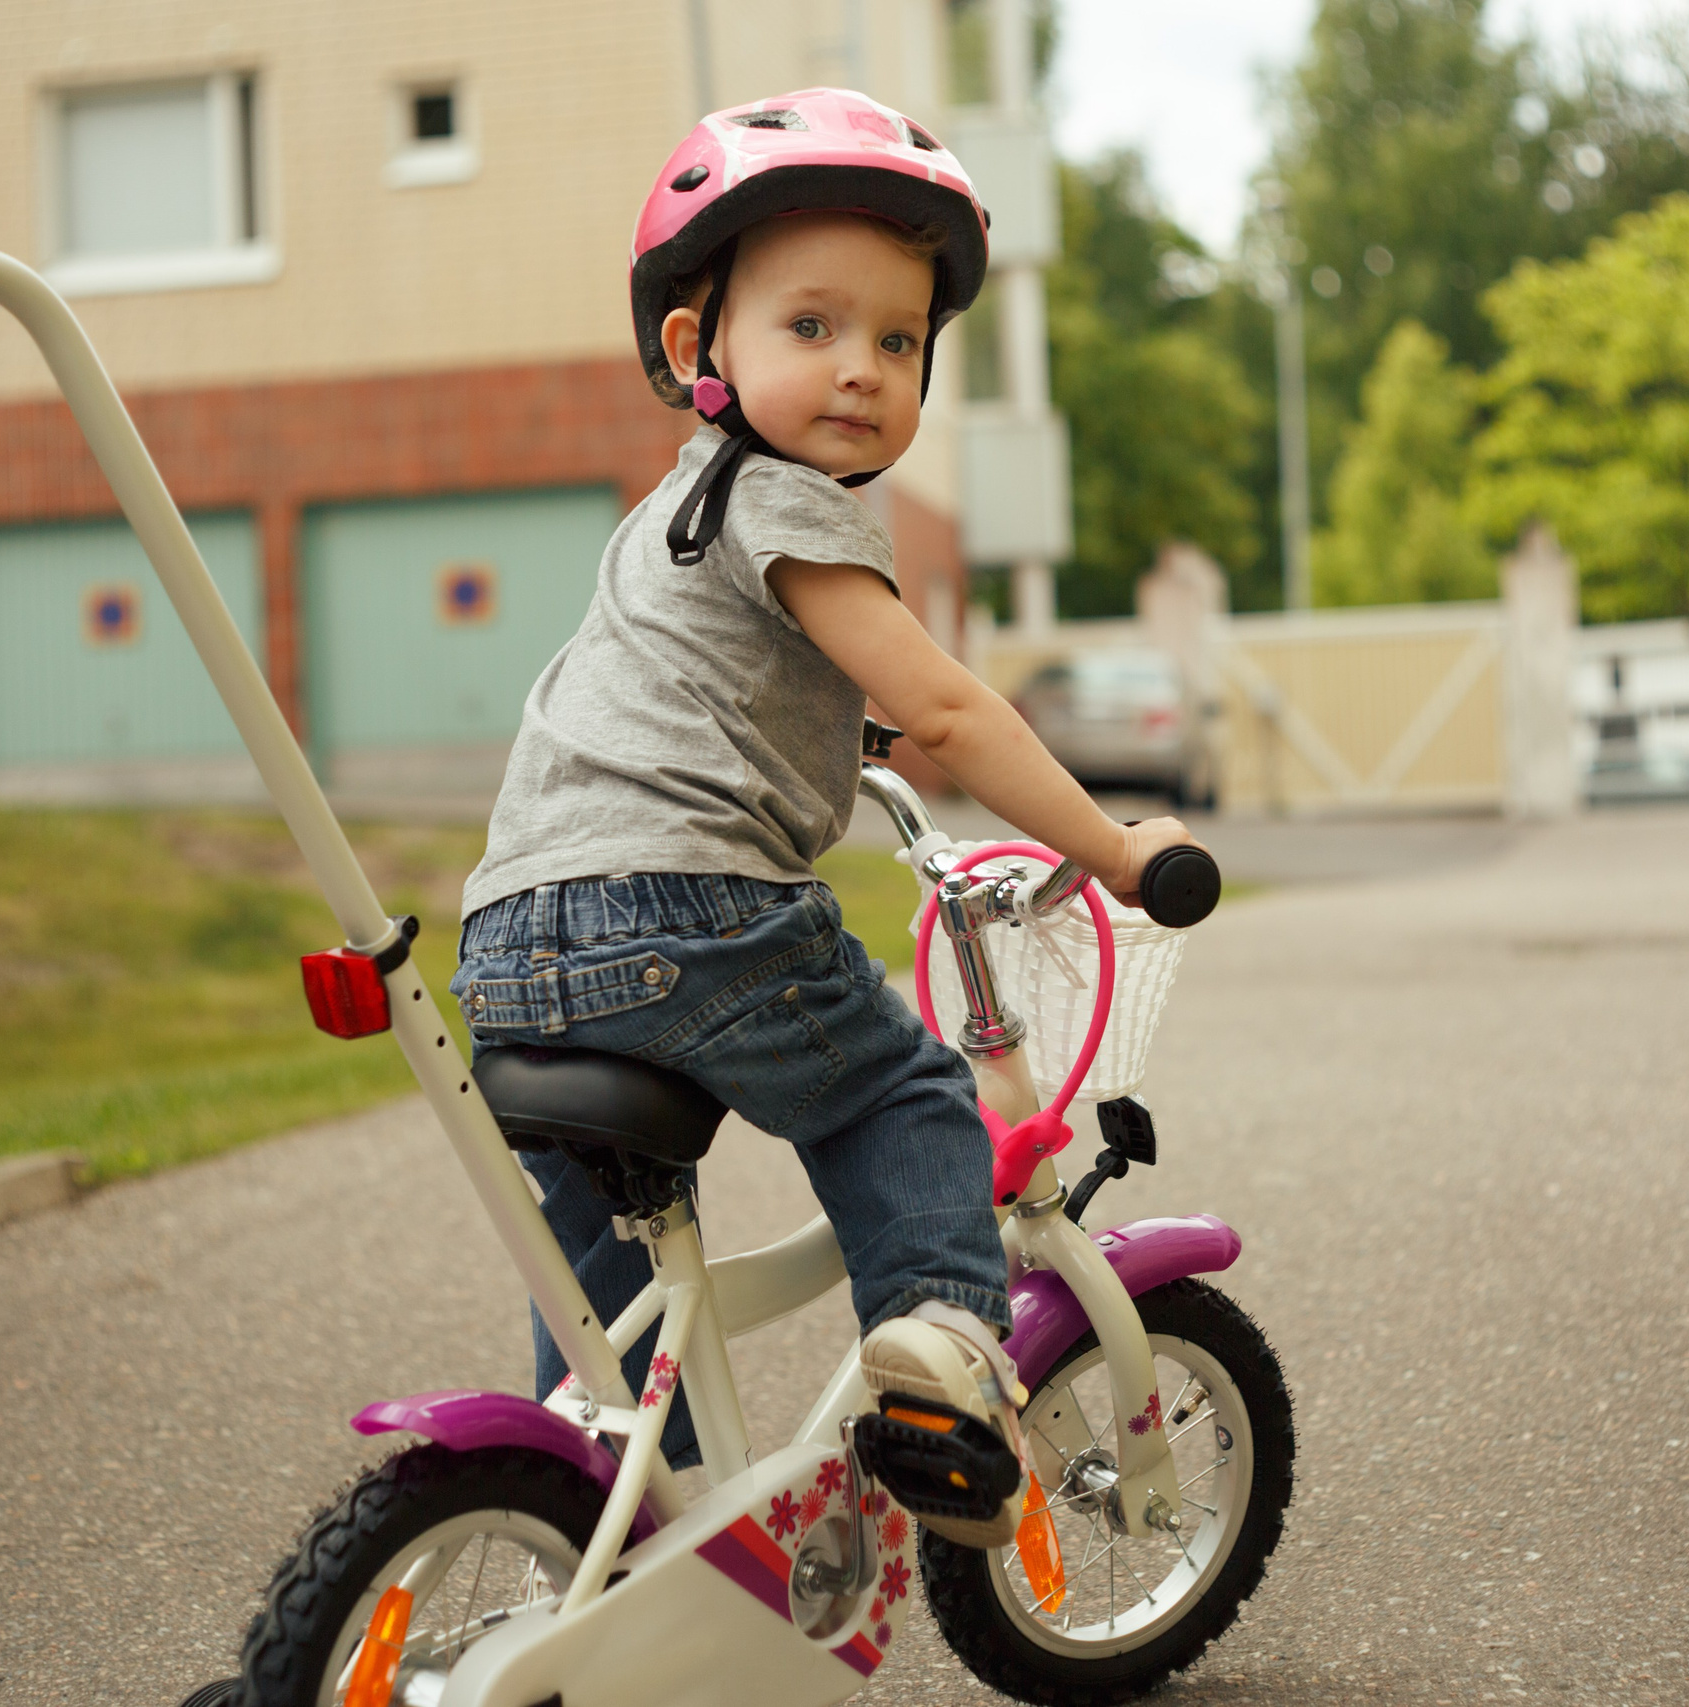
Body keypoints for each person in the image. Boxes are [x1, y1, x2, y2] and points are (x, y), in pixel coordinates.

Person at [449, 88, 1197, 1549]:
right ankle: (939, 1357)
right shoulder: (797, 506)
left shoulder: (670, 517)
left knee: (608, 1298)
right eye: (813, 327)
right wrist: (1117, 849)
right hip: (686, 911)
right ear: (696, 347)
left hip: (511, 940)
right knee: (899, 1095)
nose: (860, 370)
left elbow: (729, 703)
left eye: (899, 341)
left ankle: (585, 1521)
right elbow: (952, 714)